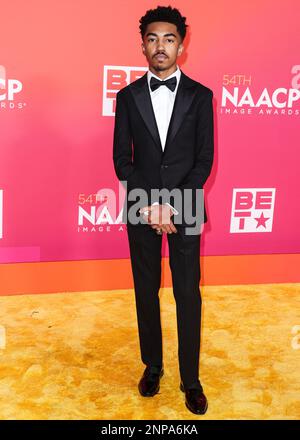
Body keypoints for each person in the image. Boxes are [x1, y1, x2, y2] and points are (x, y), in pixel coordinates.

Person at [113, 5, 214, 415]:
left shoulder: (201, 96)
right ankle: (152, 365)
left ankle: (190, 379)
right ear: (142, 46)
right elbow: (123, 159)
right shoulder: (127, 97)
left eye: (169, 39)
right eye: (152, 38)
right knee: (145, 290)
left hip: (186, 205)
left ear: (181, 46)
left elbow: (203, 159)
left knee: (188, 294)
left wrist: (171, 205)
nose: (161, 46)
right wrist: (151, 205)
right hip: (141, 206)